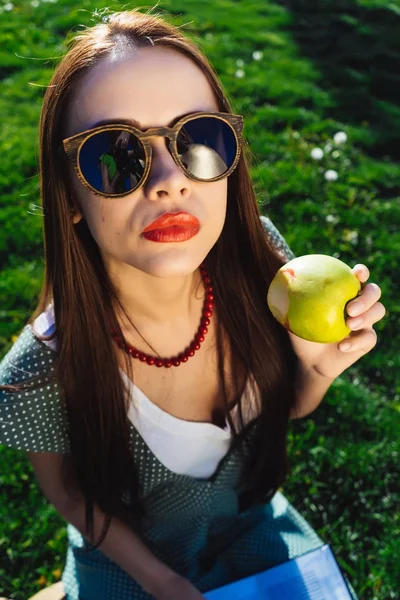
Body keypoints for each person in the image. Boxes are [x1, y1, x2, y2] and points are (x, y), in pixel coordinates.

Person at [0, 7, 386, 600]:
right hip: (132, 568)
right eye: (117, 154)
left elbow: (287, 413)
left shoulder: (263, 268)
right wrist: (161, 583)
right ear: (68, 194)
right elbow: (72, 496)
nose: (169, 180)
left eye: (200, 140)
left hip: (247, 528)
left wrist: (316, 370)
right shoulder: (37, 372)